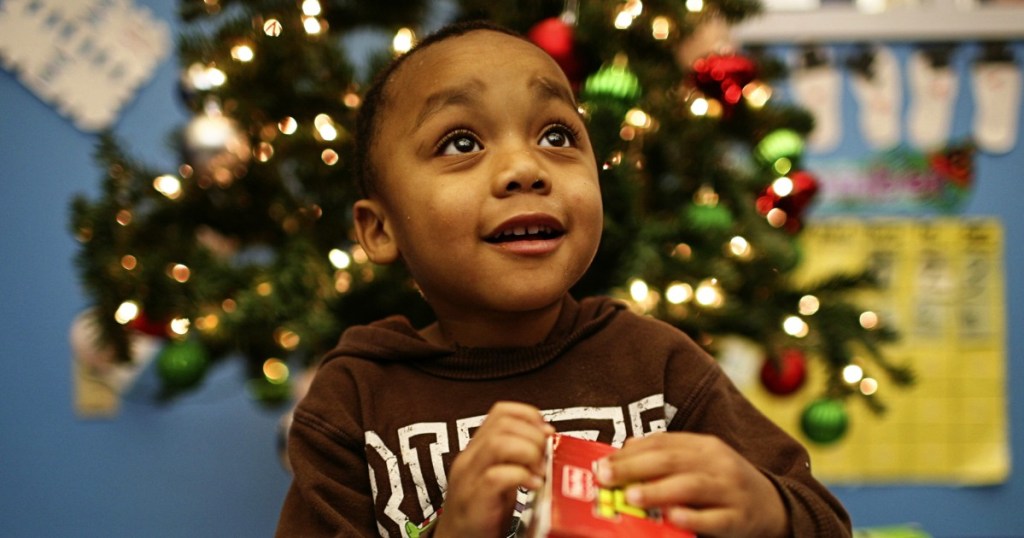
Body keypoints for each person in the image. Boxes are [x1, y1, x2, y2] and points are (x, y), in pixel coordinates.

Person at [276, 20, 852, 538]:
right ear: (380, 229)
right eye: (462, 143)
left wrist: (767, 511)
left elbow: (825, 522)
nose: (526, 169)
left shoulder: (659, 366)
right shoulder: (354, 402)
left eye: (556, 136)